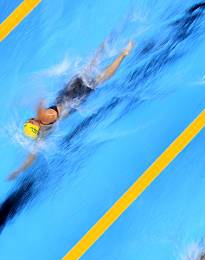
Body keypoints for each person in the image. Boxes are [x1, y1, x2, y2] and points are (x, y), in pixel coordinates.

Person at [8, 41, 134, 180]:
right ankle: (121, 53)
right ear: (35, 125)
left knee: (92, 72)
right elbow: (39, 100)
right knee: (97, 76)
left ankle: (112, 49)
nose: (31, 118)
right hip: (72, 97)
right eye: (31, 121)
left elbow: (31, 157)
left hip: (69, 97)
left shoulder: (41, 133)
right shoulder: (43, 122)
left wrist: (18, 171)